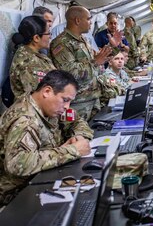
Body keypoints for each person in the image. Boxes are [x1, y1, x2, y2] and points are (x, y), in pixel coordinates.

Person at [0, 70, 93, 206]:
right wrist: (72, 150)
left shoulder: (50, 107)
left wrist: (78, 136)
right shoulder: (25, 120)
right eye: (65, 100)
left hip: (44, 178)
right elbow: (17, 164)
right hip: (18, 196)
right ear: (47, 91)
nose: (67, 107)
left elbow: (77, 121)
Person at [50, 6, 112, 121]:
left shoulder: (84, 40)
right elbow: (69, 73)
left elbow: (99, 60)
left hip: (93, 98)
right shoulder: (62, 43)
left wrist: (112, 47)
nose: (91, 22)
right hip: (78, 104)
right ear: (78, 20)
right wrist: (95, 62)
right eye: (88, 19)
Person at [9, 16, 56, 98]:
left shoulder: (34, 53)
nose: (50, 36)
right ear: (36, 38)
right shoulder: (28, 62)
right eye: (48, 33)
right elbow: (40, 96)